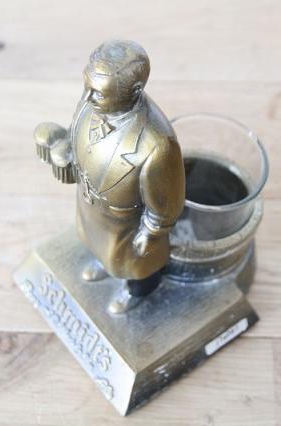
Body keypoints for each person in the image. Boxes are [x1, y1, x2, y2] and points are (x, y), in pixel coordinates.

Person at [35, 40, 185, 314]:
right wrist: (62, 146)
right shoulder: (93, 100)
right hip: (92, 212)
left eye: (100, 93)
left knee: (135, 267)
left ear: (133, 91)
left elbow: (167, 203)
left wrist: (151, 233)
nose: (88, 97)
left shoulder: (158, 146)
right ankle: (104, 263)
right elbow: (78, 135)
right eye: (87, 85)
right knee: (100, 247)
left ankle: (137, 291)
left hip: (126, 226)